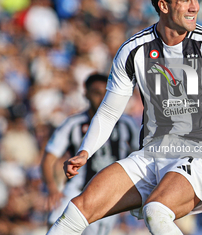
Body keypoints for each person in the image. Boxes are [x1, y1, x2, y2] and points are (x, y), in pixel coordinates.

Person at [47, 0, 202, 234]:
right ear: (163, 5)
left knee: (156, 210)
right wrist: (85, 151)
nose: (194, 7)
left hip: (198, 157)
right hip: (150, 156)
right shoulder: (133, 51)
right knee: (76, 210)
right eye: (185, 0)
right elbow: (110, 110)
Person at [41, 74, 139, 234]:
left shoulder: (126, 123)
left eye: (105, 93)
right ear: (85, 94)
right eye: (96, 92)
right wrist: (52, 188)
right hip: (78, 188)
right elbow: (49, 157)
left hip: (109, 192)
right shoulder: (73, 123)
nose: (101, 97)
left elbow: (139, 153)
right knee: (55, 223)